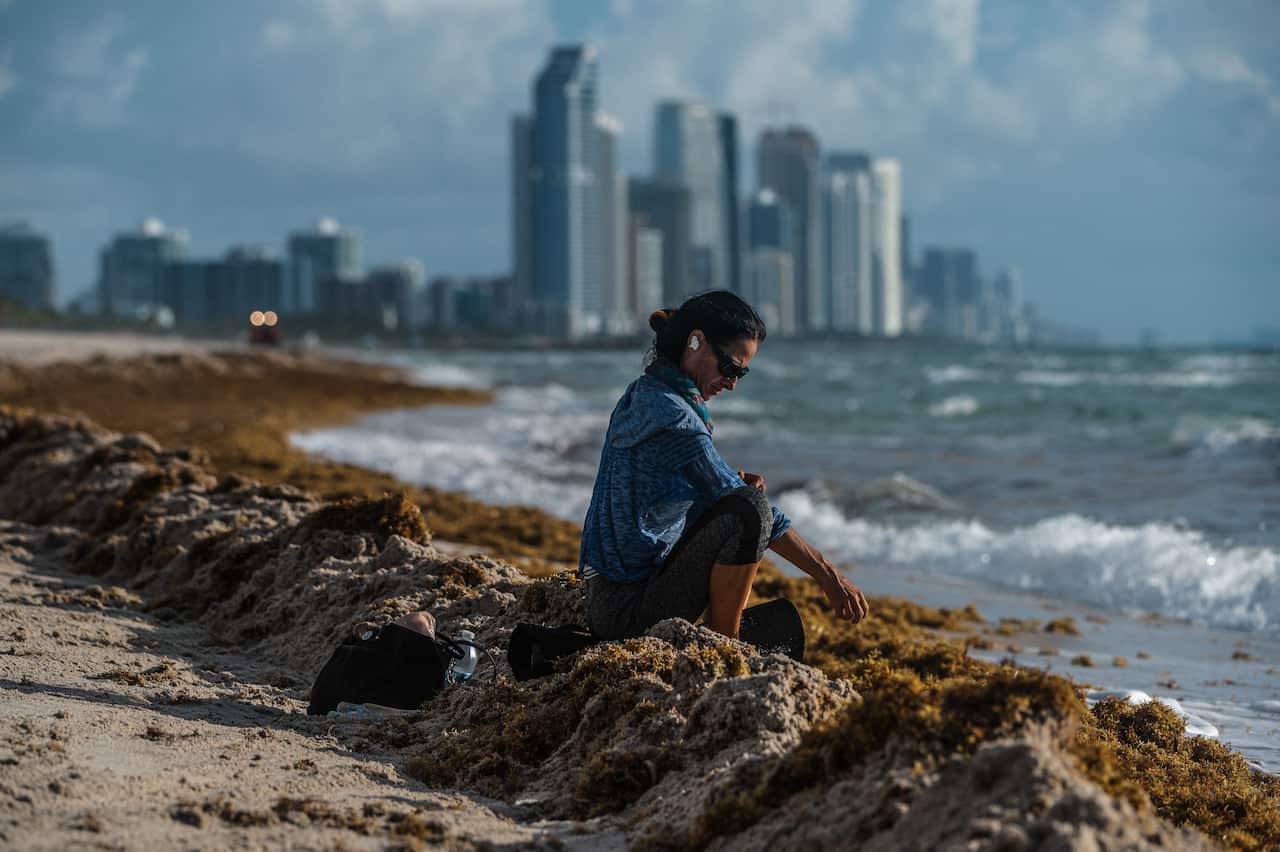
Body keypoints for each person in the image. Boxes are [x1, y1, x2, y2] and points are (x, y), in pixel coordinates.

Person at [579, 290, 870, 640]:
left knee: (742, 499)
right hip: (626, 612)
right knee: (752, 511)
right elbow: (759, 515)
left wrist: (730, 484)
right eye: (730, 367)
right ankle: (723, 643)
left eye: (741, 374)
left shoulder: (645, 392)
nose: (732, 383)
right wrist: (828, 575)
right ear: (695, 342)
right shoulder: (673, 417)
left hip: (607, 599)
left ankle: (722, 633)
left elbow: (669, 486)